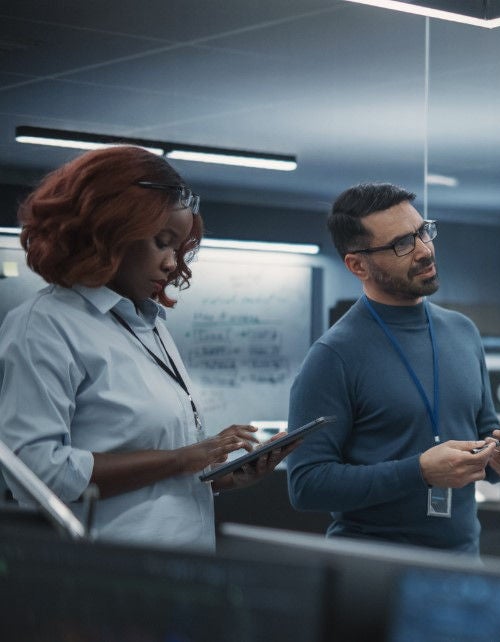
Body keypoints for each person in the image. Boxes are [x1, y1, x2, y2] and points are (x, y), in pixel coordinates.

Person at [0, 146, 297, 552]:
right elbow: (34, 473)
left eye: (180, 248)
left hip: (181, 569)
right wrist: (182, 459)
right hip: (100, 578)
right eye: (163, 243)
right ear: (108, 231)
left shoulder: (148, 323)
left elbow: (155, 475)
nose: (173, 263)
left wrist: (221, 474)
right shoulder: (46, 325)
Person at [286, 183, 500, 554]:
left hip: (462, 566)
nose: (424, 250)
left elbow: (483, 438)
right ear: (357, 264)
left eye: (423, 232)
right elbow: (306, 484)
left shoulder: (463, 332)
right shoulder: (333, 355)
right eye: (402, 244)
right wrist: (418, 472)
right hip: (373, 572)